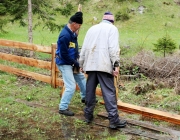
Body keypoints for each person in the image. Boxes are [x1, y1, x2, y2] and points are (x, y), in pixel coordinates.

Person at [79, 11, 127, 129]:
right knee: (109, 93)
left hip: (90, 65)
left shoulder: (92, 29)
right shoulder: (112, 29)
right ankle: (113, 121)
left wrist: (81, 63)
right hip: (104, 65)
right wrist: (116, 65)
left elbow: (84, 47)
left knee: (90, 92)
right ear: (112, 21)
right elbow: (113, 48)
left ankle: (88, 116)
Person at [55, 11, 86, 116]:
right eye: (79, 26)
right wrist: (75, 63)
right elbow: (63, 54)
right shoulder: (65, 35)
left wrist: (76, 59)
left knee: (81, 78)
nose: (79, 28)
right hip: (64, 63)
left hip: (71, 62)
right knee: (71, 86)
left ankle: (85, 98)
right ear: (74, 24)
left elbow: (73, 47)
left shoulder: (72, 33)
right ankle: (63, 108)